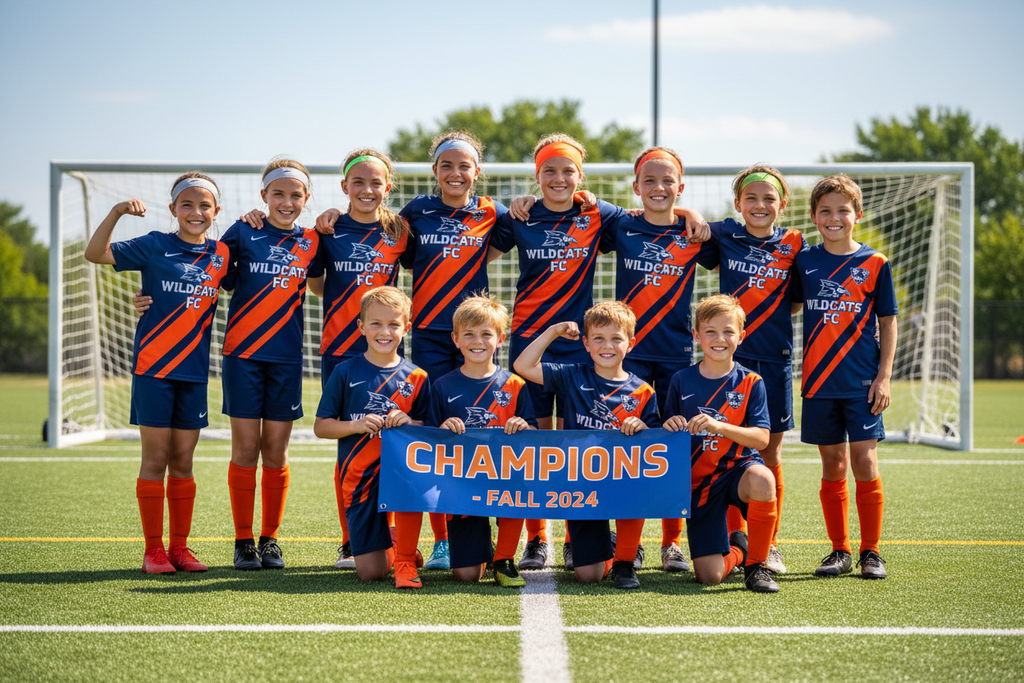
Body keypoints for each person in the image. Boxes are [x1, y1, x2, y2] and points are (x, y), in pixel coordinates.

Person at [241, 149, 408, 570]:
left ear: (387, 187)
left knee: (392, 447)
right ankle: (351, 543)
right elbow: (315, 285)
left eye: (376, 182)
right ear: (344, 187)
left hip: (389, 357)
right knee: (349, 451)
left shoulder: (400, 231)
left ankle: (391, 539)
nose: (367, 190)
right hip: (340, 352)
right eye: (359, 182)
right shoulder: (325, 232)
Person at [84, 173, 230, 574]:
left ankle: (180, 549)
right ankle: (153, 551)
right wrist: (115, 212)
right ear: (173, 210)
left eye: (204, 206)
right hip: (153, 370)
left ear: (216, 212)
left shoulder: (221, 254)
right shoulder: (154, 245)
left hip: (195, 372)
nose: (196, 212)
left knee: (183, 461)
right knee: (156, 458)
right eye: (187, 205)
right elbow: (95, 254)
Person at [608, 146, 718, 574]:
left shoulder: (695, 234)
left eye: (667, 181)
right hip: (627, 355)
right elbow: (579, 207)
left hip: (675, 355)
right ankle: (629, 542)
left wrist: (691, 215)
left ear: (680, 187)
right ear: (636, 187)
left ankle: (671, 543)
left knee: (675, 447)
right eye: (649, 181)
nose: (658, 188)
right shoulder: (620, 225)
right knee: (627, 446)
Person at [219, 158, 324, 571]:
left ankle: (270, 540)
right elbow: (206, 274)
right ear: (263, 197)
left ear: (306, 199)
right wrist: (148, 297)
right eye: (277, 193)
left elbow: (321, 284)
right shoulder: (244, 230)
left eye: (294, 194)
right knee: (245, 448)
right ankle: (243, 541)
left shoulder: (314, 240)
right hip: (242, 356)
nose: (286, 201)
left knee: (276, 452)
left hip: (286, 358)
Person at [792, 174, 898, 580]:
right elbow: (792, 307)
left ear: (857, 214)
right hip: (819, 383)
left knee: (864, 460)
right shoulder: (804, 261)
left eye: (842, 210)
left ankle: (872, 552)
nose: (834, 218)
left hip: (862, 383)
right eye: (825, 211)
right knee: (833, 464)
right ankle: (839, 551)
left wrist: (884, 377)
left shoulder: (874, 263)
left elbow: (888, 322)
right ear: (815, 217)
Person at [514, 301, 658, 589]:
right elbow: (522, 365)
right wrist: (554, 331)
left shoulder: (643, 390)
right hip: (582, 485)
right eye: (599, 339)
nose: (608, 346)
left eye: (617, 338)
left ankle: (625, 561)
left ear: (630, 344)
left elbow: (655, 447)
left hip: (621, 481)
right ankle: (606, 549)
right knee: (588, 576)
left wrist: (642, 428)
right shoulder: (572, 376)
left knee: (637, 488)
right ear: (586, 344)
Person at [707, 164, 808, 575]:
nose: (760, 205)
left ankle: (770, 543)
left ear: (781, 205)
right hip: (731, 361)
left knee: (769, 452)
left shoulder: (795, 244)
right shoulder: (724, 235)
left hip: (775, 360)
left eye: (769, 198)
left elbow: (797, 300)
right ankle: (737, 537)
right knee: (727, 449)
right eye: (751, 198)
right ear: (738, 204)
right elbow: (686, 225)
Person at [663, 294, 780, 593]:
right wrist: (671, 424)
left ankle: (757, 566)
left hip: (737, 470)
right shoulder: (681, 380)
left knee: (764, 478)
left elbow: (762, 438)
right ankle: (739, 549)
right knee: (709, 575)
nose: (719, 339)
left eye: (728, 331)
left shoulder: (751, 381)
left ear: (741, 336)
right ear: (696, 335)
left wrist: (719, 426)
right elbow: (666, 434)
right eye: (711, 331)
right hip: (699, 483)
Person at [313, 287, 430, 586]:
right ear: (361, 327)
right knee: (371, 573)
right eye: (376, 324)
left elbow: (429, 432)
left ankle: (404, 553)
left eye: (393, 324)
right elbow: (321, 427)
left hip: (401, 478)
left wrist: (409, 422)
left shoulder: (417, 377)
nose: (384, 332)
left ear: (406, 328)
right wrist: (355, 425)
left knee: (407, 490)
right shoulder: (344, 371)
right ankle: (392, 543)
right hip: (360, 479)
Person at [428, 295, 537, 586]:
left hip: (504, 477)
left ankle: (503, 560)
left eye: (486, 334)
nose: (478, 341)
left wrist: (522, 424)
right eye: (469, 334)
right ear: (456, 339)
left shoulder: (514, 384)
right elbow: (426, 439)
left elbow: (535, 434)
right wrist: (443, 428)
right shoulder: (442, 385)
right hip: (462, 483)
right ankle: (481, 550)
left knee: (521, 488)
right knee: (467, 576)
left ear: (500, 338)